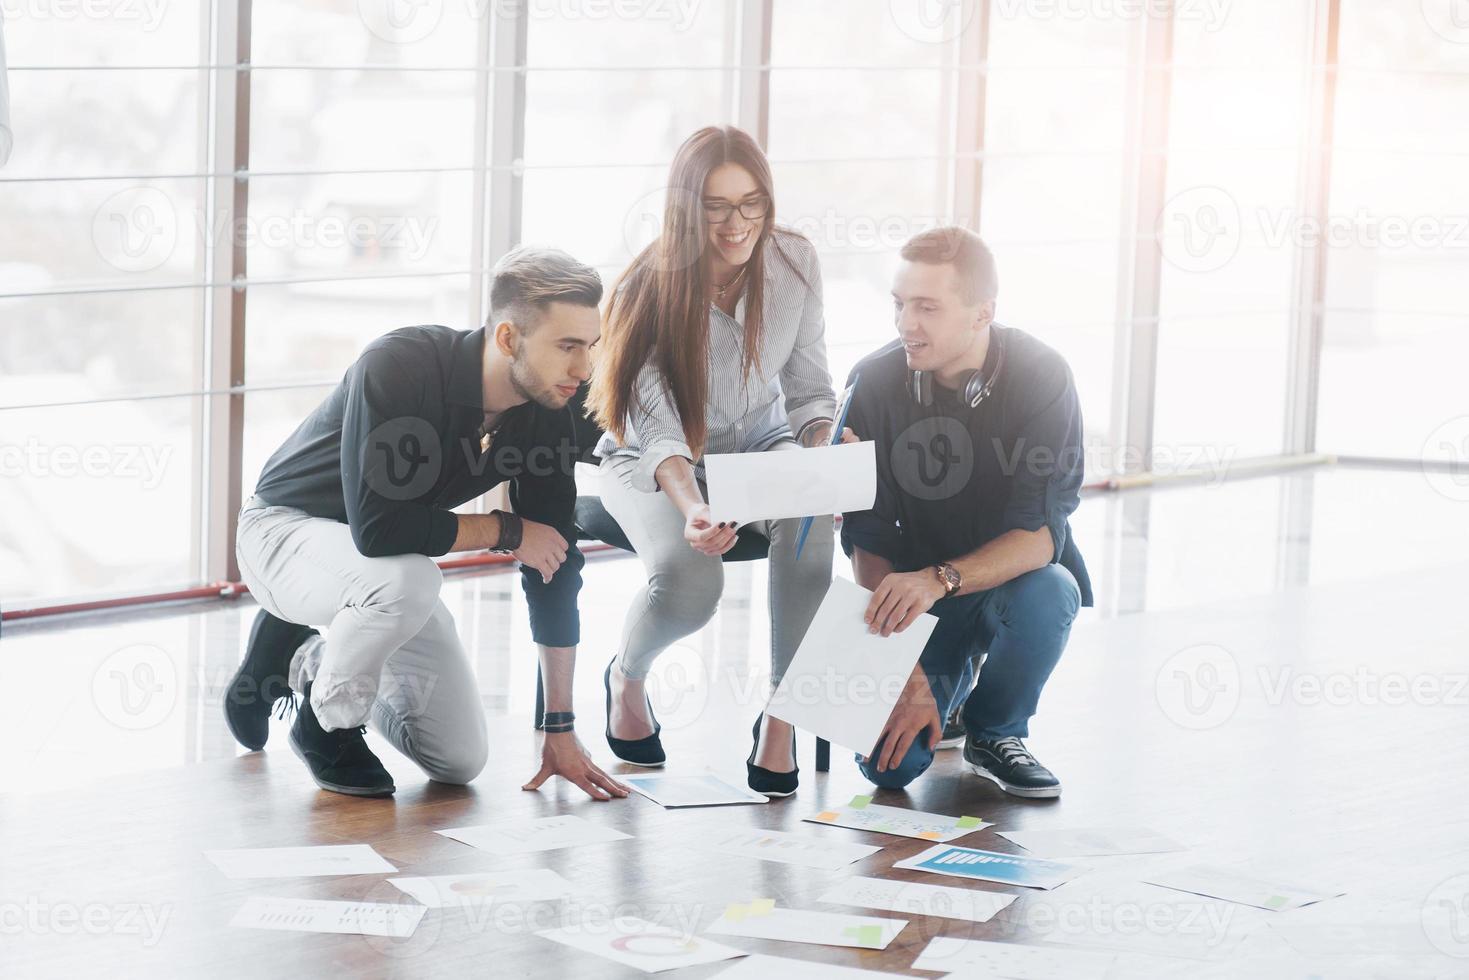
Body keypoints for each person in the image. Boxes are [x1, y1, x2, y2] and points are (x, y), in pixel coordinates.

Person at [224, 247, 630, 802]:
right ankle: (327, 725)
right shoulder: (401, 364)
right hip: (283, 534)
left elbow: (554, 560)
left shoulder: (549, 406)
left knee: (458, 760)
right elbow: (378, 530)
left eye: (590, 347)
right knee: (409, 582)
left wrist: (558, 726)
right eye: (567, 347)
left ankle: (301, 654)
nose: (584, 370)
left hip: (378, 574)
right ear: (509, 338)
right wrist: (505, 530)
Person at [586, 125, 854, 797]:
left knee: (808, 522)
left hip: (757, 446)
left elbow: (809, 390)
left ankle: (782, 717)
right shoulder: (647, 287)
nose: (737, 224)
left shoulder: (794, 262)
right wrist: (695, 509)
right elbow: (657, 431)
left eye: (751, 202)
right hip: (653, 461)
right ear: (685, 206)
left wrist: (821, 456)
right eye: (716, 206)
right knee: (689, 584)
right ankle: (627, 674)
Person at [841, 226, 1093, 798]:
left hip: (1005, 587)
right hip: (911, 604)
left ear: (983, 314)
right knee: (888, 770)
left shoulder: (1042, 377)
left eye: (927, 307)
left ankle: (994, 731)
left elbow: (1040, 537)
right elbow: (868, 537)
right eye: (900, 304)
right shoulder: (873, 381)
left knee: (1053, 589)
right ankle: (943, 699)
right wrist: (901, 667)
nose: (907, 323)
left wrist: (939, 580)